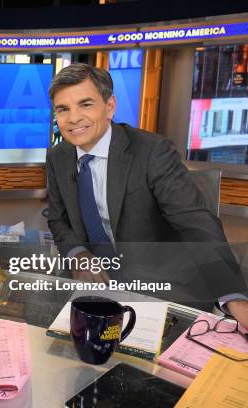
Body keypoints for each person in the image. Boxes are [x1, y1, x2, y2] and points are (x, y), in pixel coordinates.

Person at [45, 63, 247, 321]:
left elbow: (197, 224)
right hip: (95, 284)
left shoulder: (152, 151)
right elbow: (57, 218)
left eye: (86, 104)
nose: (73, 118)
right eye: (63, 109)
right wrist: (78, 254)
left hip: (159, 285)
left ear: (110, 106)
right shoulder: (58, 156)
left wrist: (233, 296)